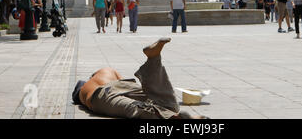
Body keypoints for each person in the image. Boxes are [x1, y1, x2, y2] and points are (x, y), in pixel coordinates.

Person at [72, 38, 208, 119]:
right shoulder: (107, 71)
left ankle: (174, 116)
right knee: (159, 95)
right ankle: (153, 59)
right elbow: (133, 86)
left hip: (102, 95)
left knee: (135, 109)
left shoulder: (85, 89)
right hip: (121, 85)